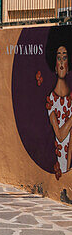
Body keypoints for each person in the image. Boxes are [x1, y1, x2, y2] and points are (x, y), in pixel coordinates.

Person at [45, 27, 72, 178]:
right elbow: (60, 135)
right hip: (59, 158)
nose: (62, 62)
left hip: (68, 163)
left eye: (65, 57)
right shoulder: (51, 100)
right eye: (59, 58)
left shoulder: (71, 98)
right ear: (55, 65)